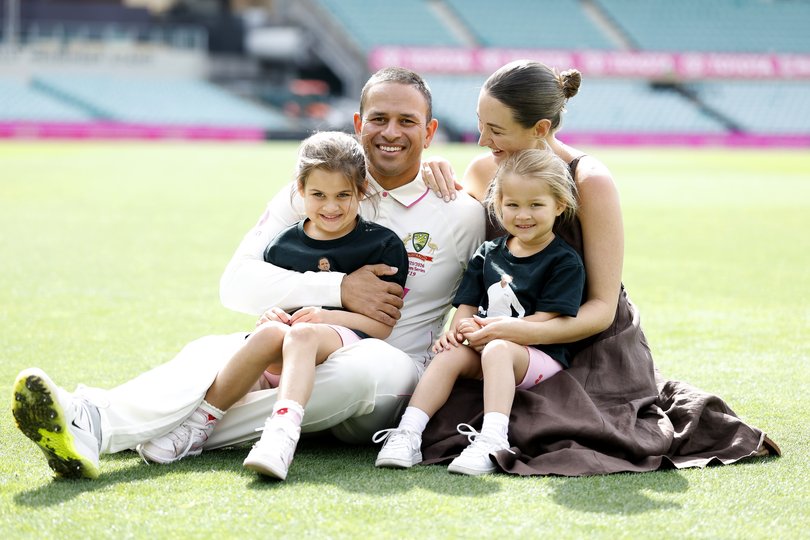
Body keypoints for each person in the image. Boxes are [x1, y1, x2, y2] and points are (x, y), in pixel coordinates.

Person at [11, 67, 486, 480]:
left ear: (429, 132)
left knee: (357, 372)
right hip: (294, 347)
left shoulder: (458, 211)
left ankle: (185, 429)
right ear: (359, 124)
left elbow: (513, 250)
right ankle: (93, 419)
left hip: (390, 374)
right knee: (215, 349)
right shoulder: (314, 188)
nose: (391, 132)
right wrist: (337, 288)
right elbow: (236, 284)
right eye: (379, 119)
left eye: (408, 122)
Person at [418, 59, 778, 476]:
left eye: (496, 130)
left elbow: (601, 310)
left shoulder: (590, 181)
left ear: (539, 128)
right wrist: (435, 174)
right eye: (482, 124)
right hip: (504, 335)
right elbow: (478, 262)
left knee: (566, 428)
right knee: (439, 409)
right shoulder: (483, 171)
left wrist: (509, 332)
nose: (482, 140)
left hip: (587, 341)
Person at [133, 131, 408, 480]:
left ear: (361, 190)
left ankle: (282, 433)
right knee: (265, 335)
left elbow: (382, 326)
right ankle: (198, 425)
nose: (331, 207)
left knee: (304, 334)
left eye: (343, 195)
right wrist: (271, 315)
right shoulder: (284, 245)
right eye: (318, 195)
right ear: (300, 189)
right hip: (283, 348)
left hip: (342, 343)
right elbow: (279, 297)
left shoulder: (382, 245)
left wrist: (326, 316)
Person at [374, 147, 585, 475]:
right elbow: (467, 305)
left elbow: (547, 321)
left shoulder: (563, 261)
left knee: (499, 350)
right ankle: (408, 432)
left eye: (535, 205)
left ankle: (492, 439)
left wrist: (492, 330)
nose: (522, 214)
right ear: (498, 204)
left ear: (559, 205)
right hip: (487, 344)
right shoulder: (489, 252)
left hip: (535, 354)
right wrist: (457, 331)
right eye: (512, 204)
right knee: (450, 353)